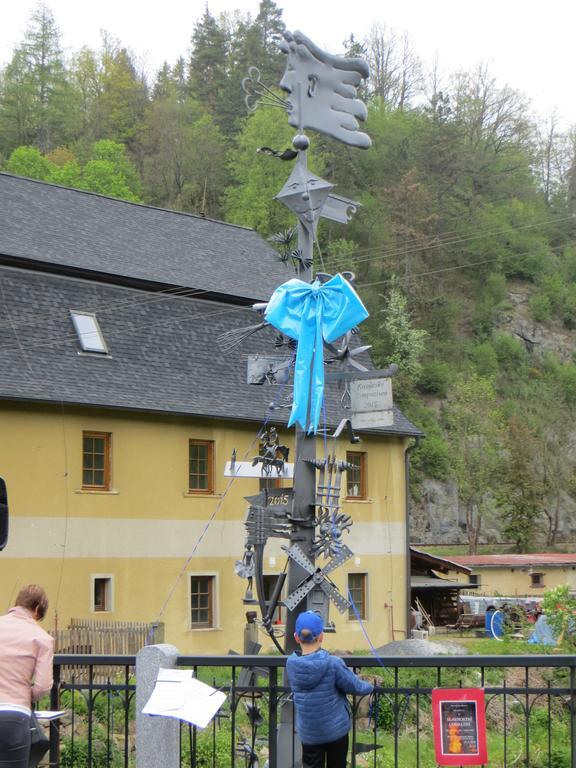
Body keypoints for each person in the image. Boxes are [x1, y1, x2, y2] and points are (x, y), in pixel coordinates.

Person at [286, 610, 378, 768]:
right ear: (321, 636)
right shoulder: (333, 663)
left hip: (309, 733)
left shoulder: (291, 664)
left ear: (296, 637)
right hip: (335, 731)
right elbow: (355, 686)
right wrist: (371, 687)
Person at [0, 584, 54, 768]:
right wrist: (26, 694)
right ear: (37, 609)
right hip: (14, 716)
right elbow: (42, 686)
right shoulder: (42, 638)